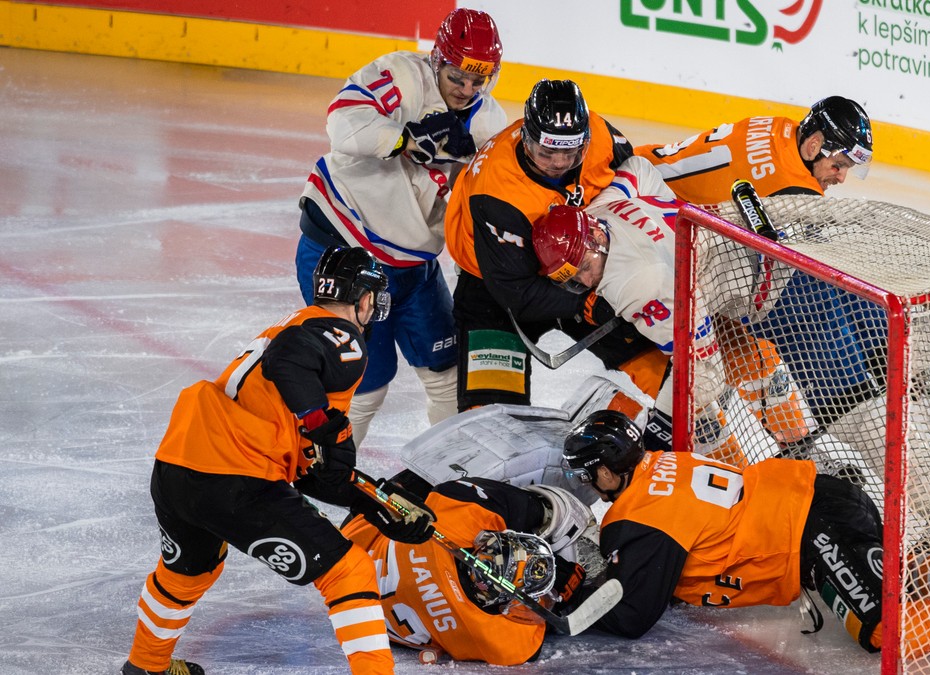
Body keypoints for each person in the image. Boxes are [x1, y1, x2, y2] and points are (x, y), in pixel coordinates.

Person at [122, 247, 436, 675]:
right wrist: (323, 422)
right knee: (349, 572)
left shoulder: (294, 326)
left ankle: (145, 665)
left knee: (187, 572)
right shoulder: (342, 338)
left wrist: (371, 500)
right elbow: (288, 361)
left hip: (179, 465)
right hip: (236, 478)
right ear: (363, 298)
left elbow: (312, 469)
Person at [560, 410, 930, 658]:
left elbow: (633, 616)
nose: (586, 483)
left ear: (608, 468)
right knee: (889, 579)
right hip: (820, 498)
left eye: (587, 472)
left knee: (883, 631)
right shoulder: (661, 462)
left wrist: (563, 598)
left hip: (810, 530)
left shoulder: (640, 513)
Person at [635, 95, 930, 343]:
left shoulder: (780, 129)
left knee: (860, 311)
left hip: (646, 186)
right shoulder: (791, 183)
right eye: (838, 166)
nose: (840, 178)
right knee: (864, 311)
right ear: (816, 144)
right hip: (643, 216)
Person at [296, 8, 508, 447]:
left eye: (478, 80)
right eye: (457, 77)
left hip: (413, 265)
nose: (467, 90)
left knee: (447, 374)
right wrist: (404, 139)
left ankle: (449, 475)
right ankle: (326, 481)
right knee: (363, 384)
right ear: (437, 60)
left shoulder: (490, 122)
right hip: (343, 250)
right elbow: (342, 123)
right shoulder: (398, 76)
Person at [530, 157, 812, 462]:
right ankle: (804, 455)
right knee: (745, 363)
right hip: (764, 246)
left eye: (585, 267)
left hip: (779, 294)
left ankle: (777, 473)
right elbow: (639, 167)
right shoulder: (600, 210)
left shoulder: (635, 284)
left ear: (597, 238)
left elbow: (704, 374)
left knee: (845, 397)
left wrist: (657, 432)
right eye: (572, 278)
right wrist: (673, 229)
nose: (586, 281)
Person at [444, 78, 670, 414]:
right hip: (493, 290)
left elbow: (631, 190)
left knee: (665, 369)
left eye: (570, 151)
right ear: (526, 137)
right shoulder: (497, 188)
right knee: (491, 415)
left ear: (585, 139)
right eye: (546, 151)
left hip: (583, 266)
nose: (559, 163)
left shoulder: (600, 136)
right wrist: (585, 306)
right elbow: (516, 292)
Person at [340, 473, 592, 665]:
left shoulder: (456, 518)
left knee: (421, 483)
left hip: (355, 541)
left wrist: (535, 513)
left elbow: (486, 495)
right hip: (347, 589)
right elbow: (536, 619)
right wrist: (564, 588)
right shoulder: (495, 639)